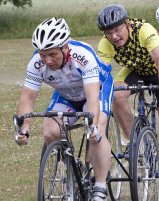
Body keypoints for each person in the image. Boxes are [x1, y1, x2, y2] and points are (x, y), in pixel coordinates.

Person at [16, 17, 113, 200]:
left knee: (97, 128)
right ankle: (73, 170)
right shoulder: (36, 63)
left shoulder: (83, 56)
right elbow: (27, 98)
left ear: (65, 47)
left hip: (96, 90)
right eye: (43, 54)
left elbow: (92, 97)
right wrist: (24, 127)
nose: (47, 60)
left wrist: (91, 124)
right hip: (67, 95)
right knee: (51, 131)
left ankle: (100, 185)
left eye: (52, 54)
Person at [97, 4, 159, 194]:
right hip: (136, 69)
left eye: (117, 30)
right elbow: (101, 72)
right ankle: (140, 148)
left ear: (127, 24)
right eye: (108, 32)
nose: (114, 36)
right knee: (116, 95)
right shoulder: (106, 42)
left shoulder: (144, 30)